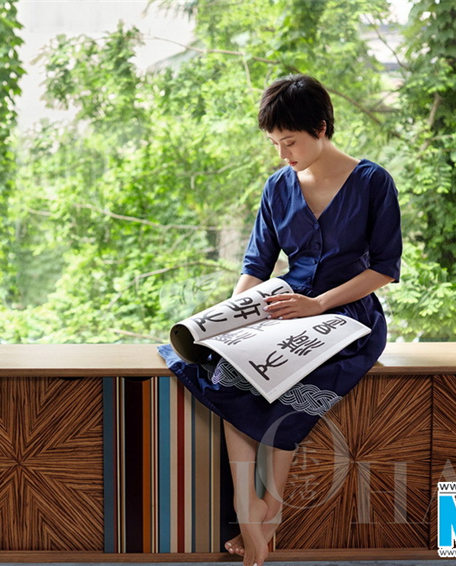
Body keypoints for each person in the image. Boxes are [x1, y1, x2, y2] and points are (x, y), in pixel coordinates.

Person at [158, 74, 402, 566]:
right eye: (275, 143)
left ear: (321, 127)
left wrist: (319, 304)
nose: (282, 154)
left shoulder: (373, 182)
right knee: (227, 372)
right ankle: (247, 506)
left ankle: (269, 509)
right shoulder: (277, 187)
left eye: (289, 142)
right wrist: (227, 319)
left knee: (295, 384)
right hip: (282, 308)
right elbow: (256, 266)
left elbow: (384, 269)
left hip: (347, 317)